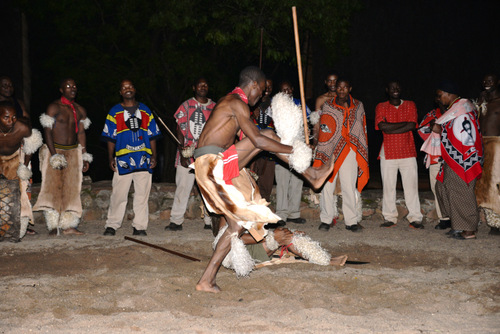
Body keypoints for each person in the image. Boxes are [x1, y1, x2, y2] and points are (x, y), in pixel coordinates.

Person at [193, 66, 333, 293]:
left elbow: (252, 142)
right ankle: (312, 175)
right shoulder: (235, 102)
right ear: (254, 85)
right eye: (262, 91)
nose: (260, 97)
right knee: (264, 136)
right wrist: (294, 150)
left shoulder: (232, 104)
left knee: (236, 225)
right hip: (211, 164)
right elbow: (256, 141)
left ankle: (206, 280)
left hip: (218, 162)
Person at [101, 79, 161, 236]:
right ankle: (112, 224)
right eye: (124, 87)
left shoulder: (146, 110)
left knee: (142, 194)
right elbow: (110, 138)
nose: (128, 89)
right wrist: (110, 158)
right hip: (122, 159)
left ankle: (140, 226)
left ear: (135, 89)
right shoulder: (114, 112)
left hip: (144, 158)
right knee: (118, 194)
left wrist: (154, 156)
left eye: (130, 86)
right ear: (120, 92)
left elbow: (152, 135)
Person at [423, 81, 483, 239]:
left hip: (463, 159)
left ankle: (468, 229)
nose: (438, 98)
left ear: (448, 93)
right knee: (443, 187)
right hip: (455, 157)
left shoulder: (461, 110)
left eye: (439, 95)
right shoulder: (457, 109)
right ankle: (458, 225)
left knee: (462, 192)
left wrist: (440, 129)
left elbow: (462, 134)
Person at [33, 78, 92, 235]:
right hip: (55, 150)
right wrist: (53, 155)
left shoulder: (80, 110)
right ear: (61, 90)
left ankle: (68, 226)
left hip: (73, 151)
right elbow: (47, 131)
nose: (72, 88)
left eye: (74, 86)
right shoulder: (54, 107)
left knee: (72, 188)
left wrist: (84, 155)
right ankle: (53, 226)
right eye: (68, 86)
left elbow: (81, 134)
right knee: (52, 187)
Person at [314, 79, 369, 232]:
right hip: (330, 150)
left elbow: (361, 127)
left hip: (351, 150)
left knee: (349, 185)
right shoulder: (328, 106)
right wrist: (324, 149)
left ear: (350, 88)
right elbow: (325, 129)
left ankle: (351, 221)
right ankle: (326, 219)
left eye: (345, 87)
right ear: (336, 89)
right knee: (327, 185)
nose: (342, 90)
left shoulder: (358, 105)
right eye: (339, 87)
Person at [165, 78, 216, 232]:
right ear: (194, 88)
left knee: (209, 188)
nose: (203, 87)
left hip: (207, 153)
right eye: (200, 85)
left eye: (206, 85)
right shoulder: (186, 105)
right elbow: (179, 128)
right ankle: (176, 220)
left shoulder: (214, 107)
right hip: (187, 152)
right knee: (183, 187)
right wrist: (183, 151)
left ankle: (210, 220)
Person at [375, 81, 423, 229]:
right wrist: (403, 125)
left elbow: (412, 125)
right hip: (388, 152)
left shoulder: (410, 104)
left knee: (411, 187)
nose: (395, 89)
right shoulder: (381, 106)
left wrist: (390, 127)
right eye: (392, 87)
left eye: (397, 87)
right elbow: (382, 126)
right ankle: (389, 217)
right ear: (387, 90)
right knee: (388, 187)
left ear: (401, 89)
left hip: (407, 151)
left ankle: (415, 217)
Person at [0, 102, 41, 241]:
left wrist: (24, 165)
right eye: (6, 118)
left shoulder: (22, 127)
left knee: (22, 193)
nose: (11, 121)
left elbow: (31, 144)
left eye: (14, 117)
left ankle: (20, 229)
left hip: (16, 159)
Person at [274, 80, 312, 226]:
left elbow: (307, 121)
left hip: (298, 148)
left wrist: (307, 135)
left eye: (289, 89)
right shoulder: (276, 104)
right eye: (283, 90)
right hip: (282, 149)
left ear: (293, 89)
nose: (287, 92)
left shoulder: (300, 103)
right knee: (282, 183)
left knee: (297, 182)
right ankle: (281, 214)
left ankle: (294, 213)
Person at [418, 99, 450, 229]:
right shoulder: (432, 114)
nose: (442, 100)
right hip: (436, 156)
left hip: (456, 157)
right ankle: (444, 218)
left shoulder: (457, 112)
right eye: (439, 97)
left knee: (454, 188)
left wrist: (441, 130)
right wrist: (433, 129)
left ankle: (457, 217)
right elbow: (421, 130)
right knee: (436, 187)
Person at [474, 73, 500, 235]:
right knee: (483, 182)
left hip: (497, 144)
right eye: (484, 80)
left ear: (498, 82)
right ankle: (492, 221)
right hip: (481, 144)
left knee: (496, 183)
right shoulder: (483, 103)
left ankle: (498, 221)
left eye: (490, 80)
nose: (486, 82)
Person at [248, 78, 276, 203]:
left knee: (266, 183)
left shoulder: (275, 104)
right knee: (250, 180)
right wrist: (252, 114)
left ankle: (264, 210)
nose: (267, 90)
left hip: (268, 150)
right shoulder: (252, 102)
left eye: (270, 87)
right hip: (252, 146)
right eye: (266, 87)